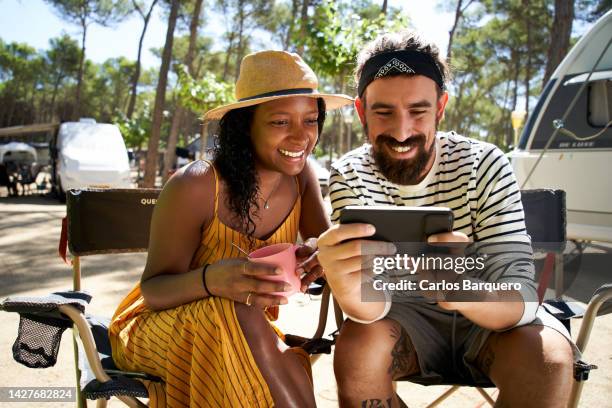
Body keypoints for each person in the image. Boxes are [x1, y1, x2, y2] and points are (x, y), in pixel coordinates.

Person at [317, 30, 577, 407]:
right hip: (400, 319)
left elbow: (521, 295)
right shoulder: (349, 173)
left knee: (549, 359)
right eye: (383, 112)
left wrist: (460, 290)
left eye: (418, 111)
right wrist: (346, 287)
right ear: (361, 112)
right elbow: (371, 307)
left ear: (440, 107)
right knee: (356, 349)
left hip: (489, 320)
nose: (402, 132)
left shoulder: (484, 163)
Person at [109, 50, 352, 407]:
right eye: (281, 122)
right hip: (155, 329)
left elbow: (323, 247)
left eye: (311, 120)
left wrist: (319, 255)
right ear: (245, 126)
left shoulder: (302, 179)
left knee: (243, 320)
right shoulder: (197, 185)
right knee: (233, 310)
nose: (301, 138)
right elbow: (154, 290)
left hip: (248, 331)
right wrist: (212, 280)